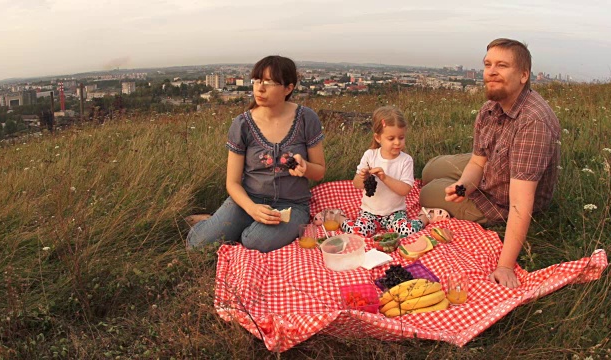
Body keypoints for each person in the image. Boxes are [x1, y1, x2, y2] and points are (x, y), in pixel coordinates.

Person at [420, 38, 561, 289]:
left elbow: (521, 201)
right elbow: (477, 161)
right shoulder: (490, 108)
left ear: (523, 75)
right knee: (430, 169)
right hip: (494, 165)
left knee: (428, 192)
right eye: (488, 65)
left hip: (504, 196)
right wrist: (463, 186)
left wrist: (505, 266)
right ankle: (456, 186)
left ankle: (457, 194)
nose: (492, 72)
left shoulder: (533, 122)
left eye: (502, 65)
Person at [186, 55, 326, 252]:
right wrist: (252, 209)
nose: (260, 88)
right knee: (197, 246)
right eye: (257, 81)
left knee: (254, 241)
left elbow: (319, 172)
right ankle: (211, 222)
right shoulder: (242, 124)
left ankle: (234, 226)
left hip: (291, 205)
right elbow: (232, 182)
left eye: (269, 82)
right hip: (249, 199)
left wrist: (305, 168)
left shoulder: (306, 119)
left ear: (288, 88)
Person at [341, 106, 449, 237]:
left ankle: (425, 216)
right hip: (369, 212)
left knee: (407, 231)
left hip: (395, 212)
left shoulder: (405, 160)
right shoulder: (370, 156)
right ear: (378, 138)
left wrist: (384, 178)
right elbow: (356, 184)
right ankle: (337, 217)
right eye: (391, 139)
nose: (397, 142)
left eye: (401, 137)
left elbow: (405, 190)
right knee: (358, 232)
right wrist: (363, 176)